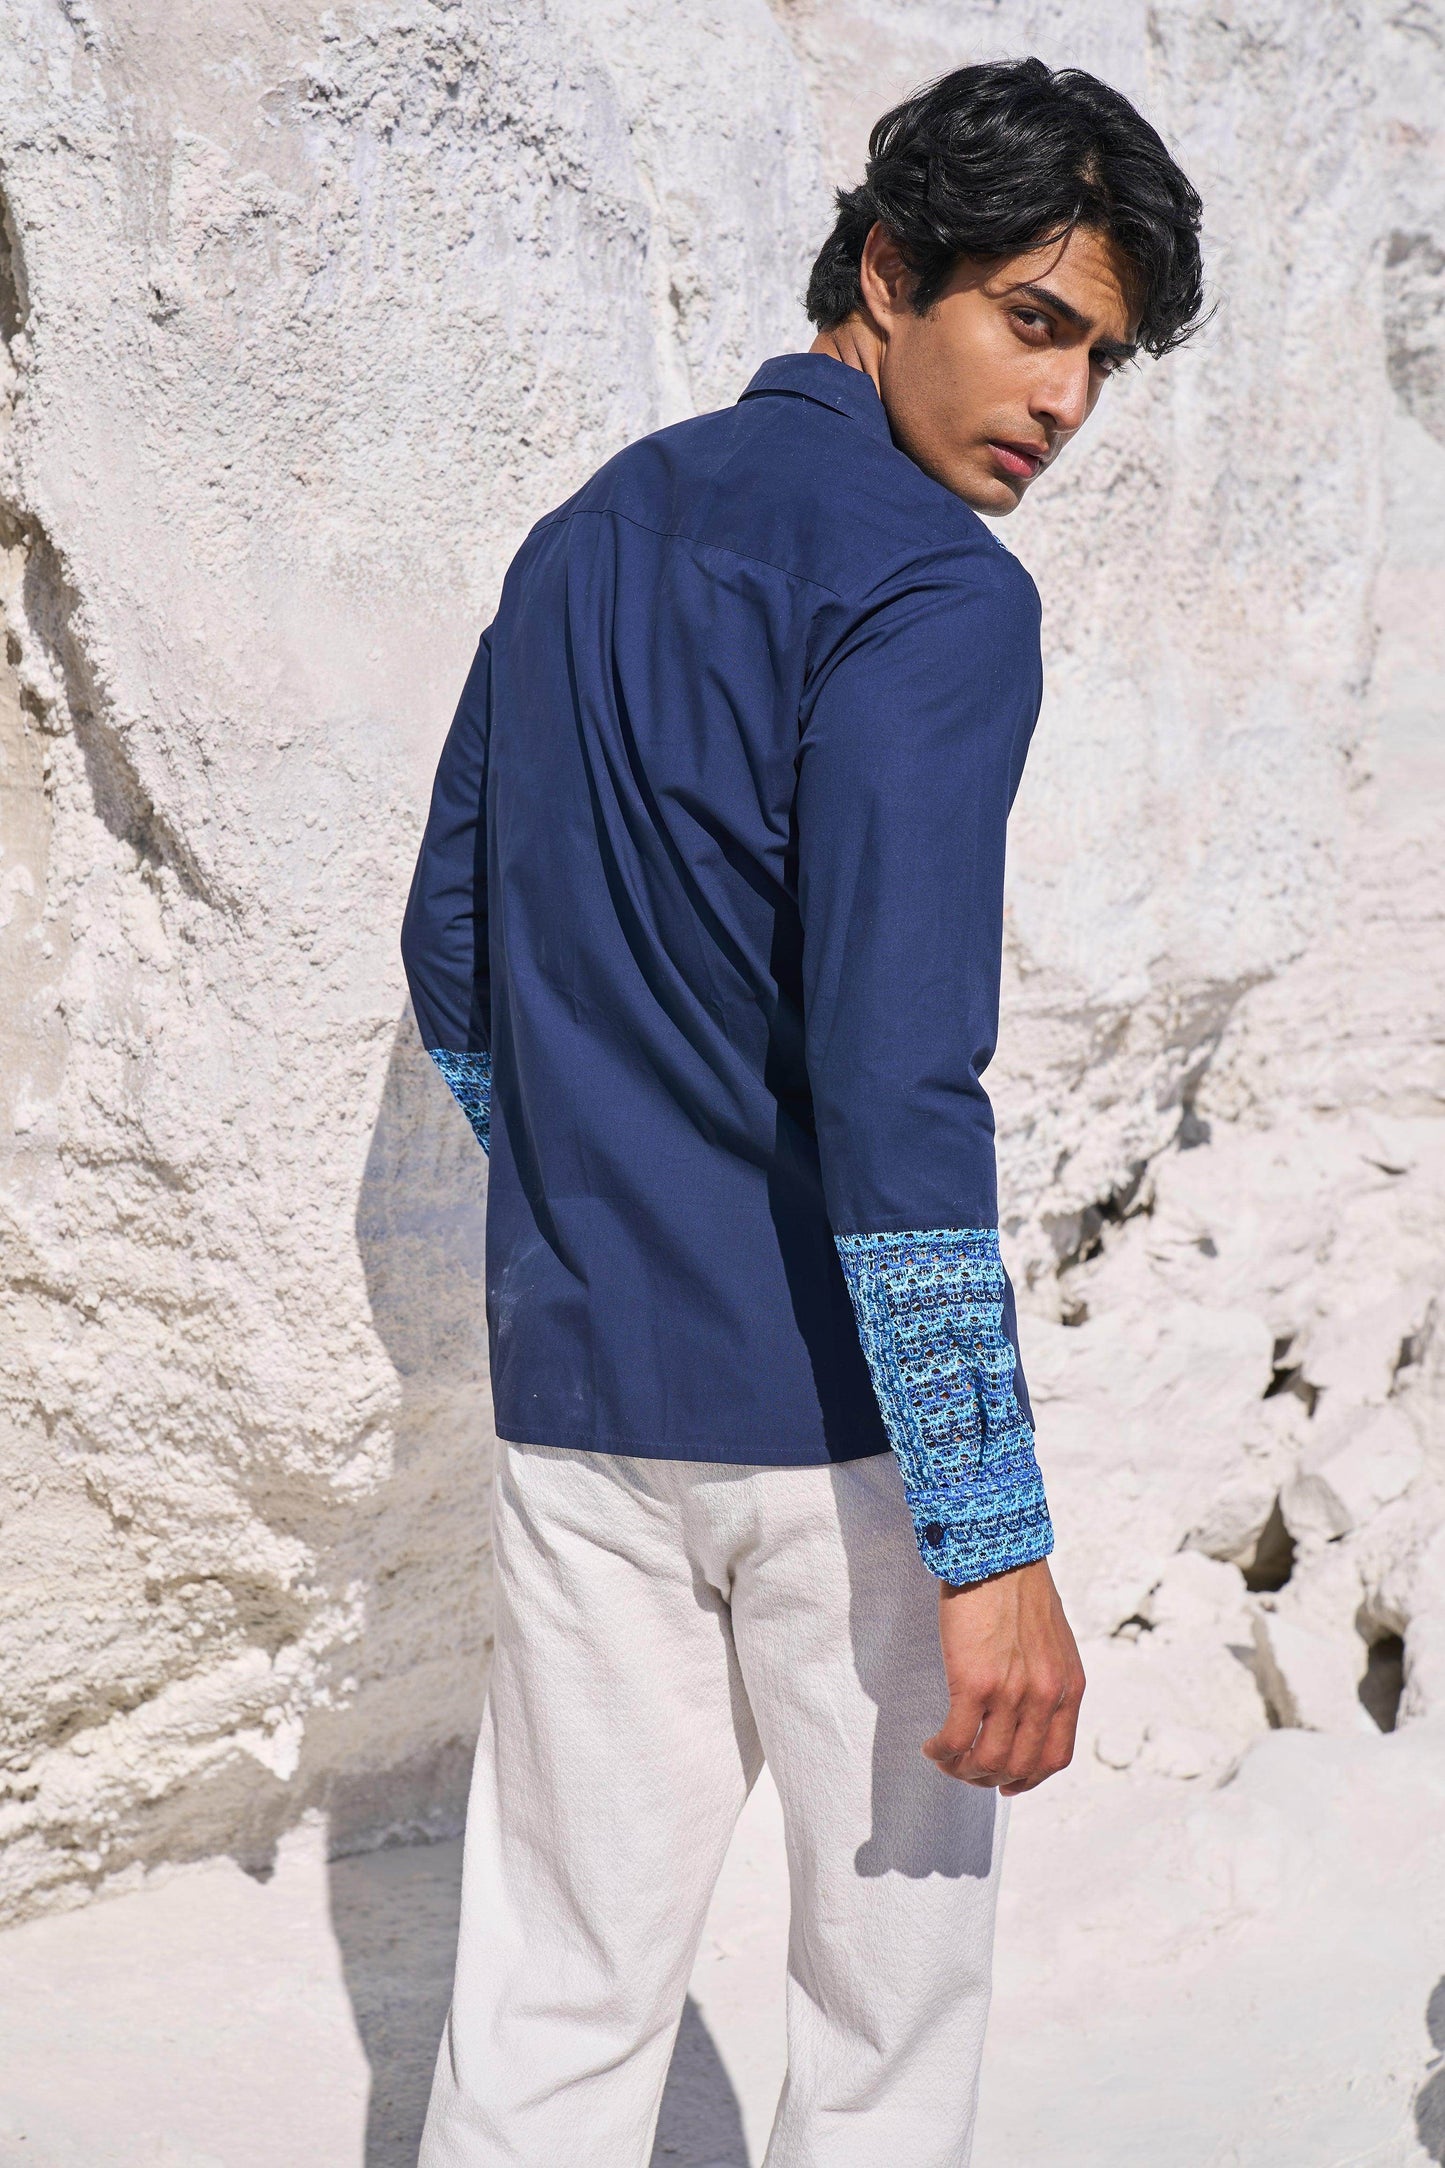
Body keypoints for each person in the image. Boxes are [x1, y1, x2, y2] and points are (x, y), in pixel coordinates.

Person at [401, 55, 1205, 2167]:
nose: (1063, 401)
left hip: (581, 1391)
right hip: (836, 1439)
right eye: (1035, 322)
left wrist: (601, 1196)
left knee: (553, 1989)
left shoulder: (584, 534)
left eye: (1099, 359)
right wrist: (989, 1533)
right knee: (882, 2022)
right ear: (889, 269)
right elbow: (892, 1069)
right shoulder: (935, 589)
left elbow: (449, 955)